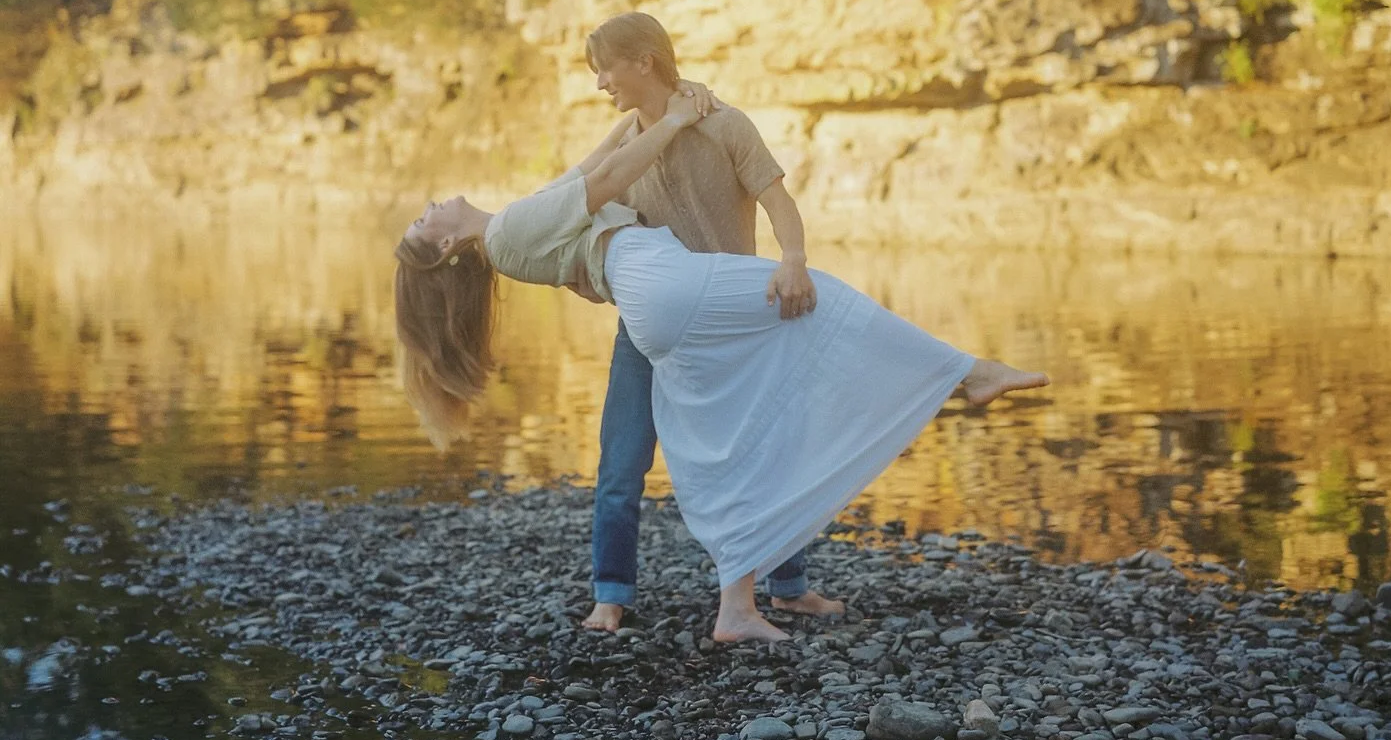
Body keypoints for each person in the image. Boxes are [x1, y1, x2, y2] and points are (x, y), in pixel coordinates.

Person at [393, 93, 1050, 643]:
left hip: (672, 301)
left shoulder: (514, 221)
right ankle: (614, 596)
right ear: (448, 244)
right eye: (426, 221)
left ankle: (780, 588)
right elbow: (607, 180)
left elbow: (590, 166)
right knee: (634, 459)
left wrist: (647, 107)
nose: (431, 204)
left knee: (760, 429)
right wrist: (673, 121)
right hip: (659, 308)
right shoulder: (508, 233)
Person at [575, 12, 840, 633]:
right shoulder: (622, 143)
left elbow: (780, 203)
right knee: (621, 462)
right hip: (647, 328)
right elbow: (569, 197)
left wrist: (794, 259)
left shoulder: (726, 124)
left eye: (604, 69)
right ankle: (610, 596)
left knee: (765, 455)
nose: (599, 84)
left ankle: (788, 587)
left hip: (731, 324)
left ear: (644, 61)